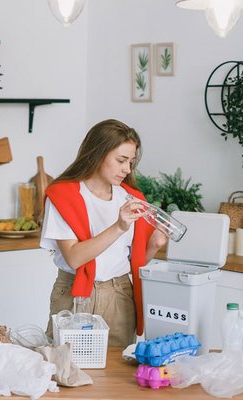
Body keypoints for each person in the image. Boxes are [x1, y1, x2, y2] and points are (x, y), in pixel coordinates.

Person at [40, 119, 167, 347]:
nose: (127, 169)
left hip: (119, 294)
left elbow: (131, 261)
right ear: (98, 154)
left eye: (131, 161)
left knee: (117, 376)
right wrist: (119, 226)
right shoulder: (63, 196)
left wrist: (154, 245)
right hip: (74, 293)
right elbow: (75, 257)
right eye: (121, 160)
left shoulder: (131, 198)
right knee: (66, 367)